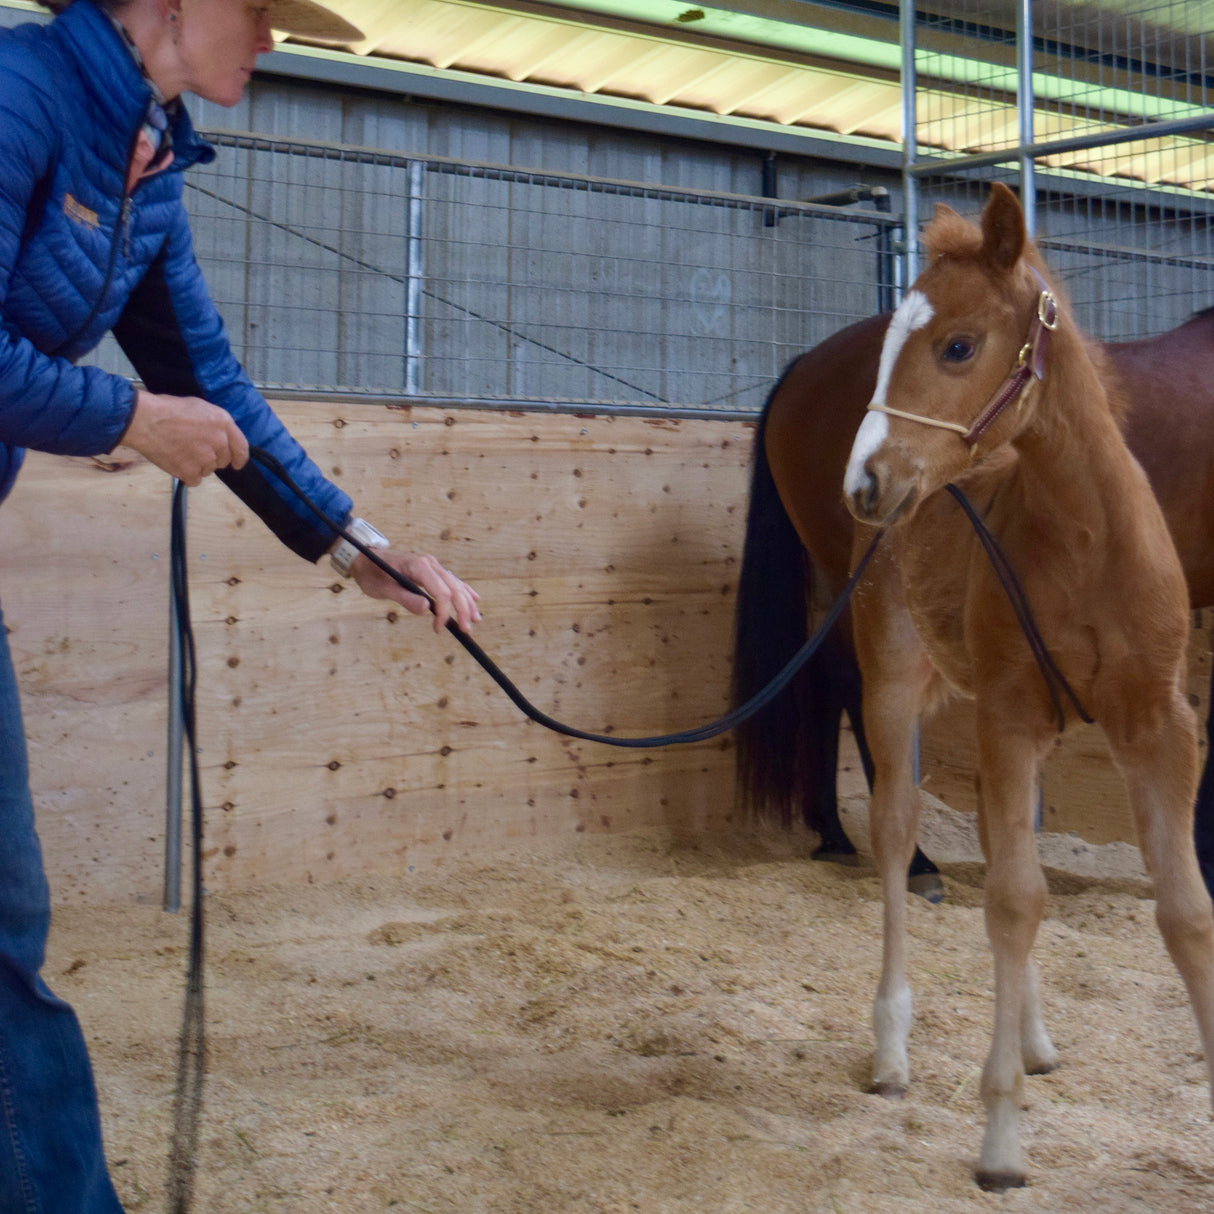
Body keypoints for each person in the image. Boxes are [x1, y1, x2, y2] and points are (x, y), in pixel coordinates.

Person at [0, 1, 482, 1209]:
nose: (273, 37)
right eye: (260, 12)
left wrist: (356, 544)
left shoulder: (148, 163)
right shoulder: (18, 95)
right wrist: (124, 420)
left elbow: (205, 379)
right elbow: (151, 404)